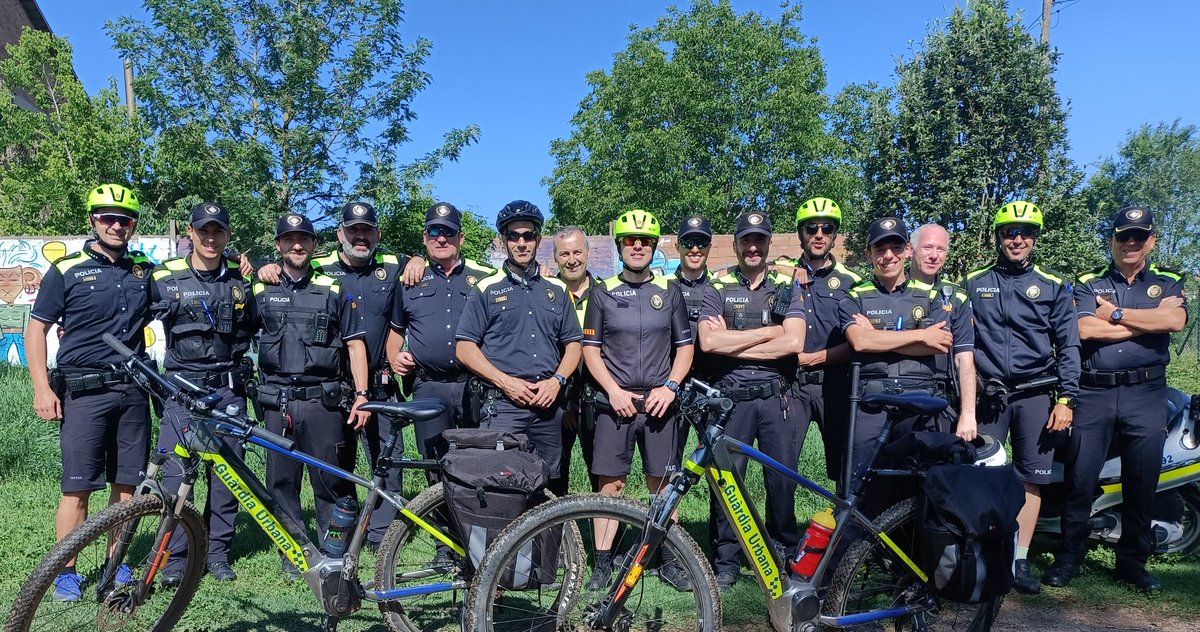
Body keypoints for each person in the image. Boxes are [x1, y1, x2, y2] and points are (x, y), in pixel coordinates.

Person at [258, 202, 421, 549]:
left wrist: (419, 259)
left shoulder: (392, 265)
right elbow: (287, 269)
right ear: (338, 236)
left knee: (387, 466)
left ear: (377, 234)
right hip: (332, 391)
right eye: (352, 231)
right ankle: (340, 536)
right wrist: (264, 267)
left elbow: (419, 264)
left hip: (377, 386)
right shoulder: (318, 268)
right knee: (337, 471)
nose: (359, 236)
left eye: (366, 230)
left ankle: (381, 539)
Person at [1043, 206, 1186, 592]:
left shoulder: (1168, 280)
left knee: (1142, 480)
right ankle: (1070, 556)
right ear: (1112, 241)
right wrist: (1145, 321)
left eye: (1139, 236)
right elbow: (1083, 328)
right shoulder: (1089, 282)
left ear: (1151, 240)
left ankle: (1132, 563)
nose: (1131, 243)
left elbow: (1173, 322)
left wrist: (1116, 314)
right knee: (1080, 477)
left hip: (1146, 393)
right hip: (1094, 392)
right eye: (1123, 236)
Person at [26, 184, 154, 600]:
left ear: (133, 224)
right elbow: (37, 328)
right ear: (92, 221)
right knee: (76, 488)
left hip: (133, 391)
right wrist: (41, 387)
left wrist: (241, 265)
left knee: (127, 487)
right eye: (107, 217)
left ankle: (118, 564)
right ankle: (66, 570)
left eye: (125, 219)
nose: (117, 225)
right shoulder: (67, 269)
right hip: (83, 393)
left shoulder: (144, 271)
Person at [965, 201, 1080, 595]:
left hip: (1036, 395)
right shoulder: (973, 281)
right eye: (1010, 232)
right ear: (998, 237)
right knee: (982, 477)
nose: (1017, 239)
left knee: (1032, 479)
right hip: (990, 395)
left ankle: (1020, 559)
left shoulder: (1052, 285)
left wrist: (1067, 399)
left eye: (1026, 232)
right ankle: (983, 554)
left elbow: (1068, 345)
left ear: (1034, 239)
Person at [251, 212, 371, 579]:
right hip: (278, 403)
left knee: (329, 481)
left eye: (304, 239)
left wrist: (362, 394)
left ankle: (332, 551)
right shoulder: (260, 289)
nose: (297, 245)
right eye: (289, 239)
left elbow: (354, 346)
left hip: (323, 401)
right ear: (278, 245)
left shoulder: (334, 289)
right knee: (281, 482)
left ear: (315, 245)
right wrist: (256, 267)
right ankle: (295, 550)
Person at [581, 210, 693, 591]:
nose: (638, 246)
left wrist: (671, 387)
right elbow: (590, 350)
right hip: (616, 404)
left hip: (660, 404)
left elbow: (685, 348)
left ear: (655, 246)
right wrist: (612, 390)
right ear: (620, 246)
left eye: (645, 240)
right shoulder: (603, 292)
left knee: (662, 486)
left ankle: (666, 559)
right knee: (611, 485)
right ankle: (602, 562)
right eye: (631, 240)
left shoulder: (669, 292)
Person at [698, 211, 806, 591]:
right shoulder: (718, 287)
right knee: (730, 482)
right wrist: (768, 334)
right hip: (732, 400)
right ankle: (726, 558)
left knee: (781, 483)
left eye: (760, 239)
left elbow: (794, 343)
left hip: (776, 400)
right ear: (737, 244)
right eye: (747, 239)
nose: (753, 246)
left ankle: (782, 552)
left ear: (769, 243)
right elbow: (709, 342)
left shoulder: (786, 286)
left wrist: (737, 343)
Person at [151, 202, 257, 586]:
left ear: (228, 236)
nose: (210, 238)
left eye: (218, 232)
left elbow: (261, 326)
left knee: (227, 477)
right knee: (176, 475)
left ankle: (217, 553)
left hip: (228, 392)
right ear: (190, 234)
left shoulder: (242, 282)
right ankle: (176, 557)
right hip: (182, 392)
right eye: (203, 231)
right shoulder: (165, 278)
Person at [839, 218, 975, 512]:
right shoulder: (854, 296)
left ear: (906, 251)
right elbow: (859, 342)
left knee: (918, 486)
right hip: (870, 403)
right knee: (861, 487)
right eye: (880, 248)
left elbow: (939, 343)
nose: (888, 255)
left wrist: (876, 335)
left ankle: (909, 555)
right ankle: (856, 555)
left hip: (922, 402)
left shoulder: (934, 296)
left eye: (895, 246)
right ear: (868, 253)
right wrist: (919, 335)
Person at [455, 200, 583, 491]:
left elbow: (573, 343)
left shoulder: (557, 289)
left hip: (548, 407)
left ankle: (551, 539)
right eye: (514, 236)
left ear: (538, 239)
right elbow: (464, 348)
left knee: (549, 491)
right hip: (503, 406)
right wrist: (505, 382)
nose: (521, 242)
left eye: (528, 235)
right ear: (504, 240)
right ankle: (505, 540)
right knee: (501, 489)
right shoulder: (486, 289)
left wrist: (558, 381)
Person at [387, 202, 494, 464]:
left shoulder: (486, 277)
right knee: (434, 462)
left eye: (449, 232)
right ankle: (436, 507)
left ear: (461, 237)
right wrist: (394, 357)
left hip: (475, 384)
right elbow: (396, 330)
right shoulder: (408, 281)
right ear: (425, 238)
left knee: (478, 459)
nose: (442, 238)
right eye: (434, 231)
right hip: (429, 387)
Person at [784, 197, 862, 485]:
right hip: (792, 386)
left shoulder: (852, 282)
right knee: (782, 467)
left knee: (844, 467)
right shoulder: (783, 276)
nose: (818, 235)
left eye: (826, 229)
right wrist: (784, 270)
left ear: (835, 235)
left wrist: (812, 358)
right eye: (811, 228)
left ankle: (844, 530)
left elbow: (857, 342)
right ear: (800, 234)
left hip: (836, 384)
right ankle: (780, 531)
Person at [907, 222, 978, 440]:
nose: (934, 256)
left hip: (940, 396)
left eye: (941, 249)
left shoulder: (957, 297)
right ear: (911, 250)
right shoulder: (889, 289)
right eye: (927, 248)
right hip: (897, 391)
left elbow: (964, 358)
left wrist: (968, 414)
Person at [550, 225, 600, 496]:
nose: (572, 259)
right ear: (555, 258)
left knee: (602, 475)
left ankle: (607, 540)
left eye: (577, 252)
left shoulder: (606, 294)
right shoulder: (546, 295)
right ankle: (555, 537)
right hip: (557, 398)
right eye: (564, 253)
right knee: (554, 476)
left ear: (588, 253)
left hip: (597, 400)